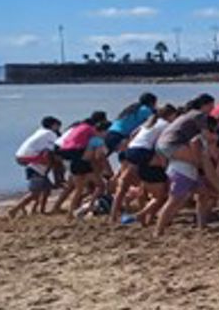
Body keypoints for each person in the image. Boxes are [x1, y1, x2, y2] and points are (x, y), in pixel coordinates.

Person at [154, 95, 219, 235]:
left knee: (204, 192)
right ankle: (158, 230)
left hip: (165, 145)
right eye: (211, 106)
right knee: (203, 165)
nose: (213, 109)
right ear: (204, 105)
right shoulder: (199, 115)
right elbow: (205, 136)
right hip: (171, 145)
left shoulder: (189, 115)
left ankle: (202, 224)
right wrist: (216, 138)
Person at [106, 93, 158, 222]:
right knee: (132, 176)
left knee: (126, 174)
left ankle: (115, 211)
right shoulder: (146, 110)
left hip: (112, 135)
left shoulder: (133, 109)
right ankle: (139, 209)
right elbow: (151, 123)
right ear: (152, 102)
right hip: (121, 137)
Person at [128, 104, 179, 226]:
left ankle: (146, 219)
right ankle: (141, 215)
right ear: (171, 115)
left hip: (132, 150)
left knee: (145, 185)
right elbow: (163, 144)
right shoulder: (166, 125)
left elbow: (132, 134)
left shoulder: (149, 122)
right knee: (160, 196)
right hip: (143, 152)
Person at [51, 111, 109, 216]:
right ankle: (90, 205)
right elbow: (98, 156)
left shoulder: (79, 126)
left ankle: (69, 213)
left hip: (70, 157)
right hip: (80, 161)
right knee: (101, 186)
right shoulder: (94, 137)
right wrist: (106, 170)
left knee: (78, 189)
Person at [10, 116, 62, 217]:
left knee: (47, 190)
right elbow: (53, 152)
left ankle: (40, 210)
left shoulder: (41, 133)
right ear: (53, 125)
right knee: (35, 193)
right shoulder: (50, 134)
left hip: (31, 163)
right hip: (35, 168)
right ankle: (14, 209)